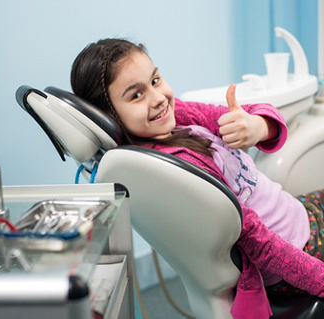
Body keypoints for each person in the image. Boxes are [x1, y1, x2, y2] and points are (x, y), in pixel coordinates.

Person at [70, 38, 324, 319]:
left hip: (297, 216)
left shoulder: (176, 115)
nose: (158, 98)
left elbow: (242, 114)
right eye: (136, 95)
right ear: (109, 116)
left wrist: (257, 126)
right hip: (299, 251)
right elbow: (258, 242)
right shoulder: (181, 166)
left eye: (155, 80)